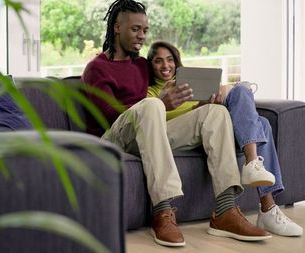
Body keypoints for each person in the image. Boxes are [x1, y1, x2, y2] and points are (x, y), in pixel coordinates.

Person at [82, 0, 276, 247]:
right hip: (114, 138)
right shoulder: (96, 69)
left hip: (149, 131)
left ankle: (226, 211)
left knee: (214, 113)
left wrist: (197, 100)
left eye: (145, 30)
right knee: (152, 105)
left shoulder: (142, 65)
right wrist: (161, 103)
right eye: (135, 29)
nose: (142, 36)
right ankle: (163, 211)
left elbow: (167, 83)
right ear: (117, 27)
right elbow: (105, 115)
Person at [146, 40, 303, 237]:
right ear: (150, 65)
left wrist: (205, 103)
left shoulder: (189, 85)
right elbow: (154, 121)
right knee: (256, 122)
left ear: (177, 61)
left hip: (210, 124)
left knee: (255, 113)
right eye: (158, 61)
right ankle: (264, 199)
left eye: (170, 60)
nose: (165, 65)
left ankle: (266, 204)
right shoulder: (151, 93)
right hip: (186, 133)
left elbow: (201, 114)